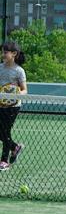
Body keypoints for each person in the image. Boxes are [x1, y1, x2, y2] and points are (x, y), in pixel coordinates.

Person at [0, 42, 27, 171]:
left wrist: (14, 95)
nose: (3, 54)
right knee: (2, 132)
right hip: (0, 105)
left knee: (5, 131)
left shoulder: (19, 71)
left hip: (13, 107)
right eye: (2, 52)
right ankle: (15, 147)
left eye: (5, 52)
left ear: (14, 54)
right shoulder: (0, 68)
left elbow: (24, 90)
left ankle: (4, 161)